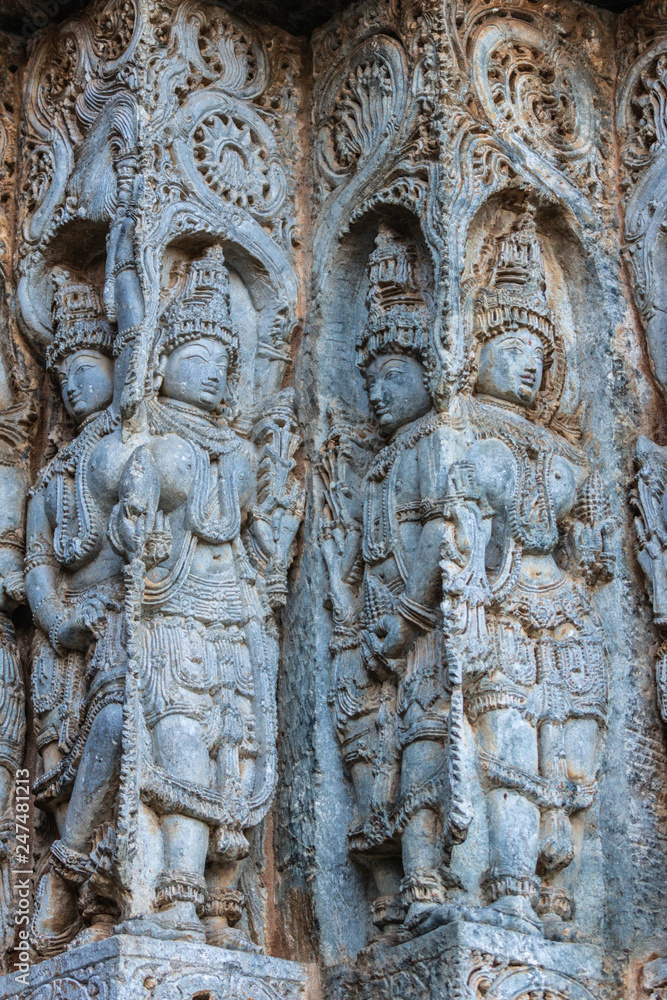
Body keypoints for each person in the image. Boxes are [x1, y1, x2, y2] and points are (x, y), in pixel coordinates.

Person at [109, 241, 302, 947]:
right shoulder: (146, 435)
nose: (212, 377)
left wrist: (274, 537)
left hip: (236, 615)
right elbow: (129, 526)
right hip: (175, 610)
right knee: (182, 745)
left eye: (222, 367)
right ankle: (172, 899)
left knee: (238, 754)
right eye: (195, 361)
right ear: (160, 365)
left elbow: (249, 537)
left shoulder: (241, 451)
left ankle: (225, 903)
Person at [26, 271, 128, 954]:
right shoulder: (55, 477)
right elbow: (38, 563)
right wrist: (58, 620)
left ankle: (86, 876)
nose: (75, 386)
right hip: (70, 635)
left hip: (133, 614)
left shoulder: (133, 446)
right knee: (70, 768)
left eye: (88, 369)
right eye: (65, 378)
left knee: (124, 723)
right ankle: (73, 875)